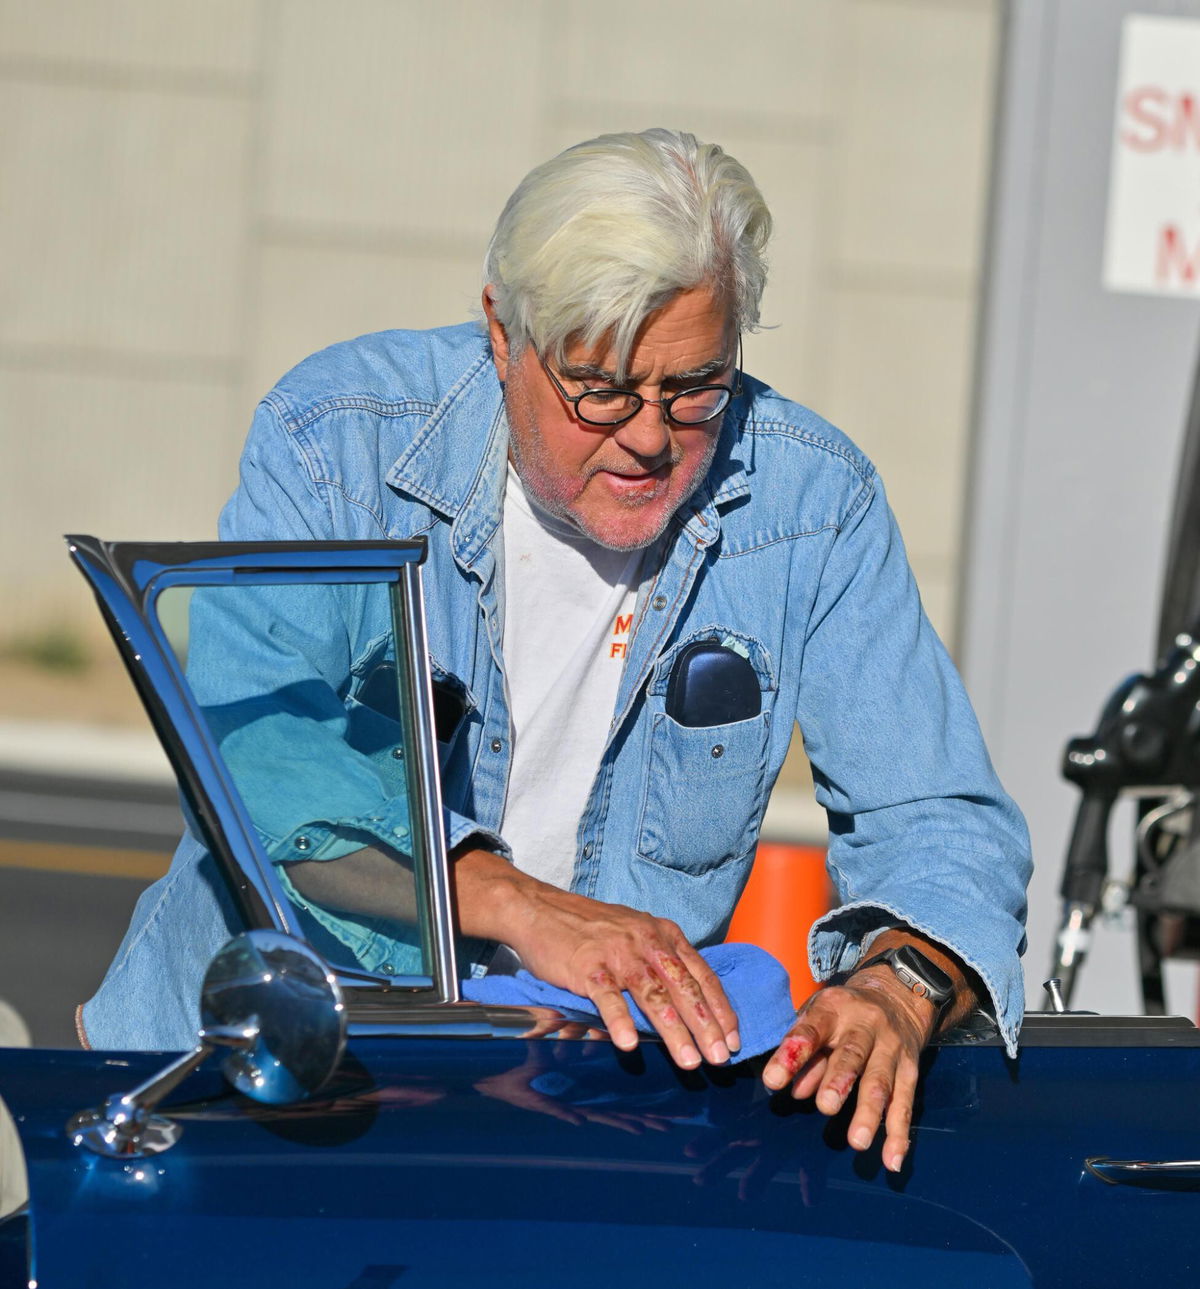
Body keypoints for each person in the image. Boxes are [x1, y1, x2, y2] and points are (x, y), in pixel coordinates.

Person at [82, 129, 1030, 1175]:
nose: (649, 435)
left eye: (696, 388)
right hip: (262, 1079)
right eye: (601, 387)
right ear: (502, 330)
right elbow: (260, 757)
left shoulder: (816, 503)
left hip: (575, 1124)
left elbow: (939, 817)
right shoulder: (336, 437)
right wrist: (518, 904)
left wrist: (903, 984)